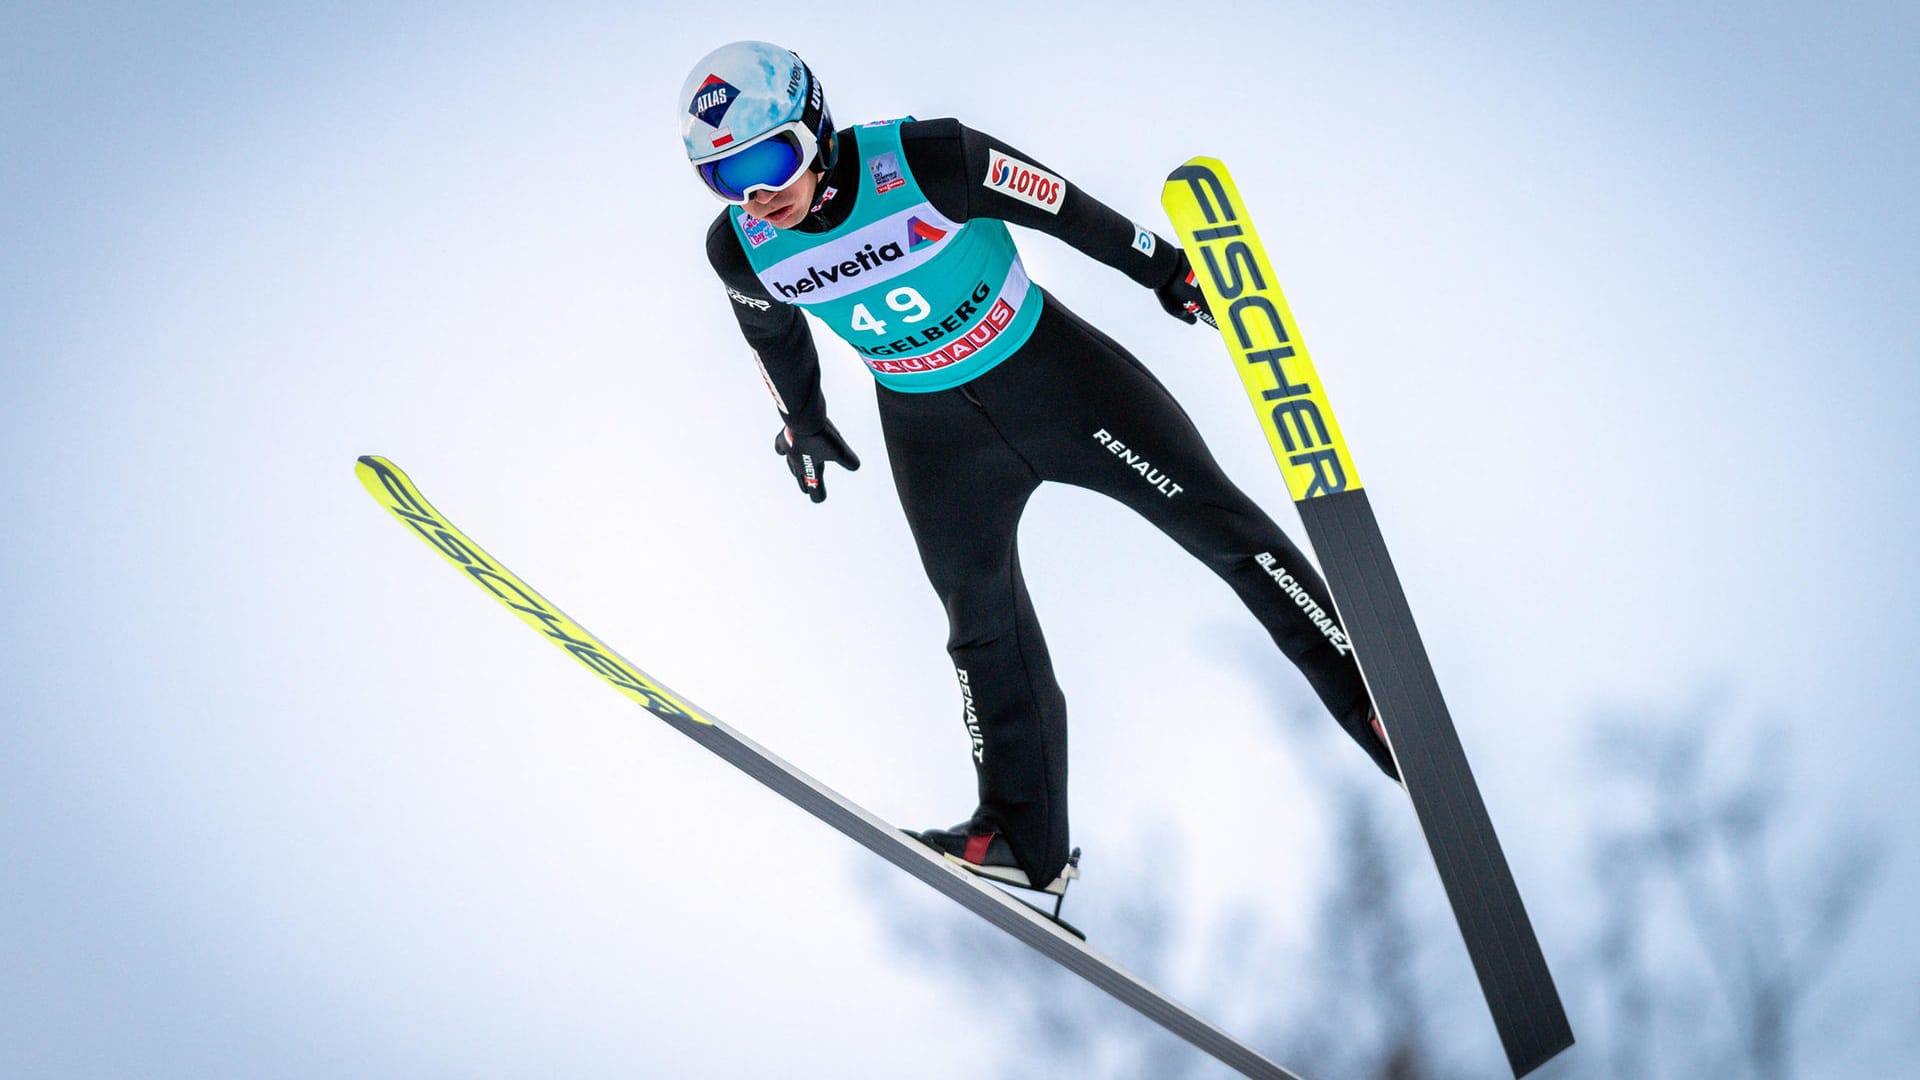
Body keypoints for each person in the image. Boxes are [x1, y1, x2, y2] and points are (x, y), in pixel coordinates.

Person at [680, 41, 1397, 895]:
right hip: (931, 435)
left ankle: (1376, 700)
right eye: (728, 179)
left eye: (769, 160)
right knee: (980, 630)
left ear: (817, 126)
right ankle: (1024, 837)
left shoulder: (928, 159)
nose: (759, 194)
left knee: (1220, 528)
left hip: (1057, 380)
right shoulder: (745, 249)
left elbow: (1063, 206)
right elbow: (772, 335)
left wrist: (1166, 269)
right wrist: (802, 422)